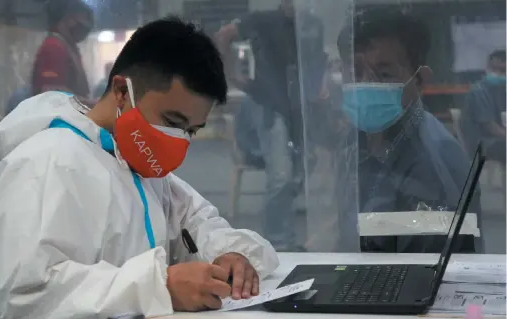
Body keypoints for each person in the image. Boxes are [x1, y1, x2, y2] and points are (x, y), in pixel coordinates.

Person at [0, 17, 278, 319]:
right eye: (171, 121)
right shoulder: (46, 162)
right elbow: (28, 297)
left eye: (191, 130)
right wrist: (161, 286)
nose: (179, 140)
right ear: (122, 91)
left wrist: (229, 255)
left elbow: (198, 222)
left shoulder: (136, 164)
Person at [335, 9, 480, 253]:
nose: (365, 83)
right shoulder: (355, 140)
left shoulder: (432, 161)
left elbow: (425, 275)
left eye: (384, 74)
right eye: (355, 72)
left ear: (420, 80)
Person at [215, 0, 325, 252]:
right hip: (268, 103)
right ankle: (279, 241)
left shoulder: (312, 25)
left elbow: (315, 61)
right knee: (282, 175)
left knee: (297, 173)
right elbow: (224, 34)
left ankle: (280, 235)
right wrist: (230, 74)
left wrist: (319, 86)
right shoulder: (262, 20)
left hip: (297, 108)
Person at [31, 0, 93, 98]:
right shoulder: (54, 47)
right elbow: (51, 93)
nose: (84, 26)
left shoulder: (68, 47)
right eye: (80, 20)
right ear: (66, 18)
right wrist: (89, 104)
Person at [461, 50, 506, 165]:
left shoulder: (499, 91)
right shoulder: (479, 92)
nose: (497, 73)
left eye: (503, 70)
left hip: (497, 141)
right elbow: (491, 128)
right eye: (494, 69)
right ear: (487, 68)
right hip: (481, 145)